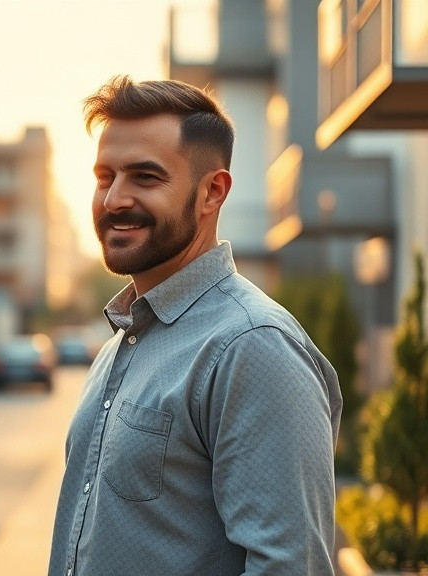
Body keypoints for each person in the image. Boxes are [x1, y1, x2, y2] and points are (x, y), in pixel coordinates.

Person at [48, 75, 343, 575]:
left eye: (145, 177)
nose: (114, 199)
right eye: (105, 176)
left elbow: (291, 566)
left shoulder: (252, 348)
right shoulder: (122, 344)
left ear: (212, 192)